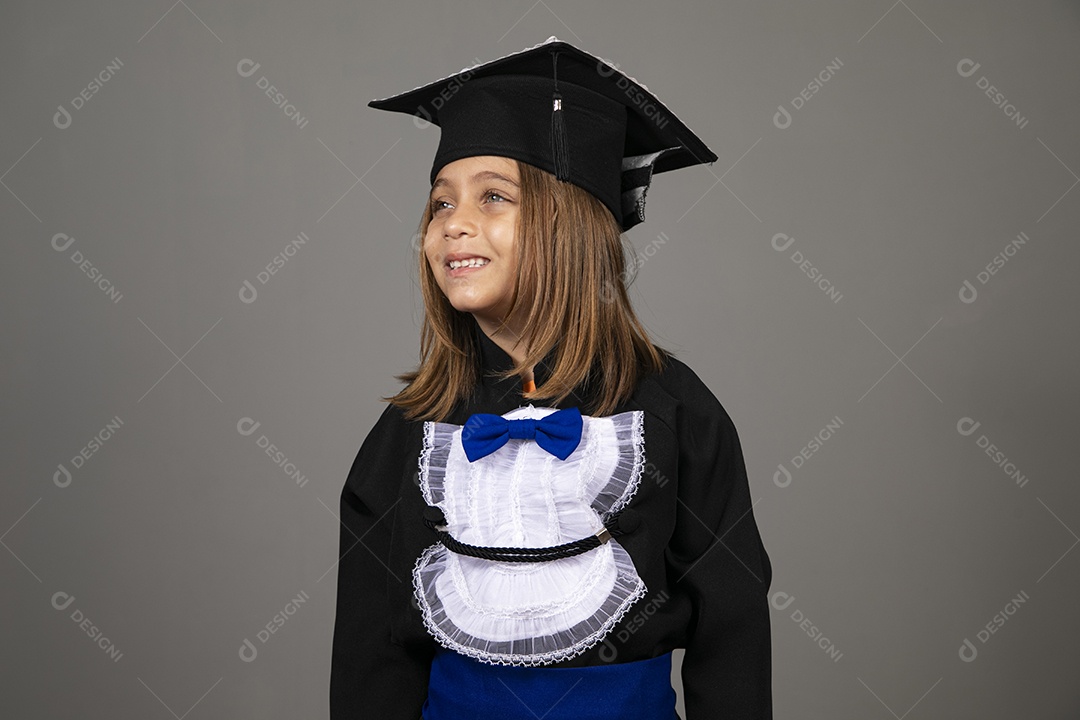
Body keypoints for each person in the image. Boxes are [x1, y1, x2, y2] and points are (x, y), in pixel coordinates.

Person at [330, 36, 773, 720]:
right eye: (441, 203)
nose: (455, 225)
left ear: (571, 225)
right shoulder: (414, 427)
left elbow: (732, 630)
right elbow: (373, 650)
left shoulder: (676, 411)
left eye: (493, 198)